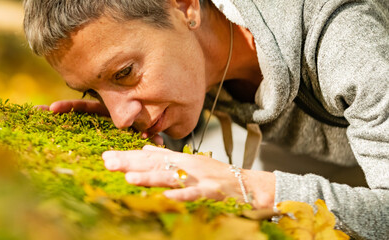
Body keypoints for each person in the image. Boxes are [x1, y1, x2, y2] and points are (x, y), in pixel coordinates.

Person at [23, 0, 388, 239]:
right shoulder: (193, 66)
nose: (120, 118)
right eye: (94, 91)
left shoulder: (346, 38)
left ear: (186, 8)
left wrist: (253, 188)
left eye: (124, 73)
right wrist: (152, 139)